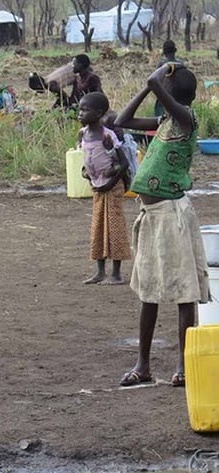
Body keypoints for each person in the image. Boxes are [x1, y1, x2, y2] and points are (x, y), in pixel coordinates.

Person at [114, 62, 207, 388]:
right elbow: (121, 121)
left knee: (184, 291)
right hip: (153, 216)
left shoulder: (186, 119)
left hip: (172, 214)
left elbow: (155, 80)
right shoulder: (166, 120)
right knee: (149, 291)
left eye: (162, 93)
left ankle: (183, 366)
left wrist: (162, 71)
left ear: (170, 95)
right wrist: (146, 87)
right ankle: (143, 365)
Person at [77, 92, 131, 286]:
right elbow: (86, 157)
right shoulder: (83, 134)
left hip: (112, 186)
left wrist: (109, 182)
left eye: (85, 109)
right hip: (98, 187)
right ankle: (100, 272)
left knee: (114, 227)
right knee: (98, 228)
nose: (80, 113)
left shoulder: (108, 135)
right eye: (80, 109)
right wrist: (87, 175)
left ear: (99, 112)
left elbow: (123, 163)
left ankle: (116, 274)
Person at [155, 40, 182, 117]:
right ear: (175, 51)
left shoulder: (162, 65)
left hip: (163, 98)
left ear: (165, 53)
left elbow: (155, 81)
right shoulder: (181, 64)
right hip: (179, 99)